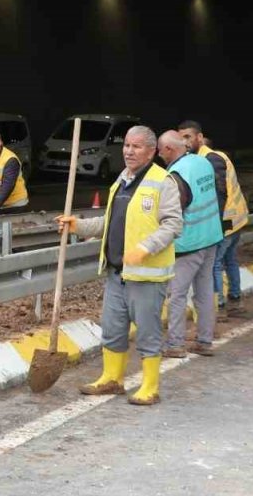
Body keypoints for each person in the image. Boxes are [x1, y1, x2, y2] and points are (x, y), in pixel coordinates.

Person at [57, 126, 182, 405]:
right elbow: (109, 221)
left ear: (152, 152)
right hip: (117, 273)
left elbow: (173, 224)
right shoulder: (121, 181)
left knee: (148, 333)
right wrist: (78, 225)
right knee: (112, 329)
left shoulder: (164, 181)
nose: (129, 151)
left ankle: (150, 386)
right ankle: (112, 379)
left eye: (136, 147)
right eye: (126, 145)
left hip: (146, 277)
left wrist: (145, 248)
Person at [157, 130, 224, 357]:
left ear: (169, 149)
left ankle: (175, 344)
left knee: (177, 295)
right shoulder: (202, 162)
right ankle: (205, 341)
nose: (159, 154)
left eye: (160, 150)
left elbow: (173, 211)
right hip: (212, 237)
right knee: (204, 292)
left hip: (189, 243)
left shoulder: (176, 175)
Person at [178, 120, 250, 321]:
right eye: (180, 137)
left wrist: (212, 226)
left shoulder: (210, 159)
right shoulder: (210, 156)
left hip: (225, 221)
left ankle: (217, 307)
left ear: (199, 137)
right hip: (235, 219)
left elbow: (219, 194)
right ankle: (235, 301)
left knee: (214, 265)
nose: (184, 142)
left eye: (188, 137)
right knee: (230, 260)